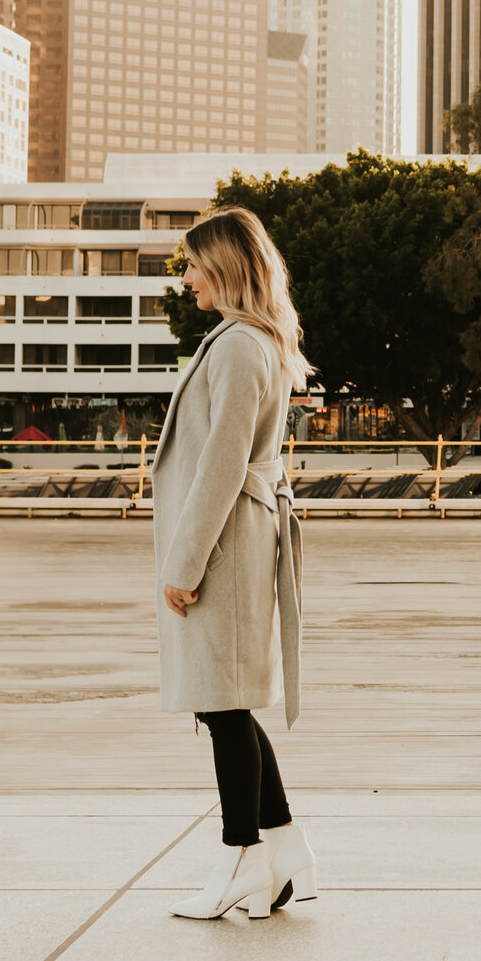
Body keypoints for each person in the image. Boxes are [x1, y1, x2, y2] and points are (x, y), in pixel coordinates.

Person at [155, 206, 317, 923]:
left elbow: (221, 468)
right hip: (233, 540)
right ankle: (284, 854)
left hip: (222, 547)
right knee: (227, 703)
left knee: (221, 706)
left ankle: (240, 858)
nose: (186, 277)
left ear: (224, 265)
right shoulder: (247, 341)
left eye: (193, 264)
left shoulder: (240, 347)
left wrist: (183, 565)